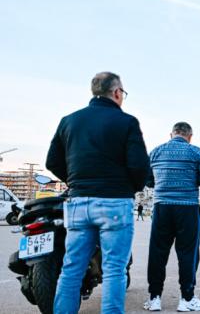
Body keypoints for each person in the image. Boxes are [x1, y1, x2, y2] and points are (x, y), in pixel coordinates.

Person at [47, 72, 150, 314]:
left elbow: (52, 161)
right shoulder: (127, 122)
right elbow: (139, 166)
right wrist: (129, 188)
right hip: (114, 202)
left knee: (71, 268)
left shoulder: (69, 121)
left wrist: (76, 181)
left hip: (78, 201)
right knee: (114, 269)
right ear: (116, 93)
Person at [143, 122, 200, 311]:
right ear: (190, 136)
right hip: (188, 208)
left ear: (171, 134)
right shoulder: (196, 152)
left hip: (162, 207)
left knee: (158, 252)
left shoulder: (156, 152)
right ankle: (186, 299)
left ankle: (154, 298)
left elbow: (147, 180)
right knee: (188, 253)